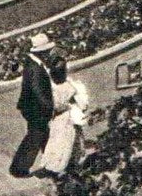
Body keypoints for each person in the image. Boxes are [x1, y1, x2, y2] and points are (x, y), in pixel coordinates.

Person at [10, 33, 55, 177]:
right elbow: (37, 90)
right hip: (35, 109)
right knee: (35, 137)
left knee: (42, 135)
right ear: (41, 52)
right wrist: (49, 106)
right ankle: (20, 168)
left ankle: (51, 164)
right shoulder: (35, 68)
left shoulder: (33, 63)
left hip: (31, 107)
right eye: (47, 51)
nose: (49, 54)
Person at [37, 55, 89, 176]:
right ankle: (61, 166)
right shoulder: (60, 86)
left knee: (66, 141)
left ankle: (68, 165)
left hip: (65, 117)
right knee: (61, 141)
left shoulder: (66, 86)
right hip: (62, 118)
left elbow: (82, 103)